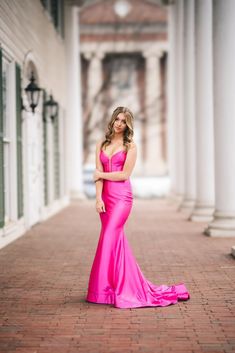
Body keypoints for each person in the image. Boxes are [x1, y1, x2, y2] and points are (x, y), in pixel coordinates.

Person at [86, 106, 190, 309]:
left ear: (128, 125)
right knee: (115, 241)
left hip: (122, 198)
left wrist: (101, 175)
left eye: (123, 121)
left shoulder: (130, 146)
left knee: (108, 237)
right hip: (106, 198)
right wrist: (98, 198)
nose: (119, 123)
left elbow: (124, 175)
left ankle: (107, 291)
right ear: (112, 120)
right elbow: (97, 175)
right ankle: (107, 290)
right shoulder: (102, 143)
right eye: (117, 119)